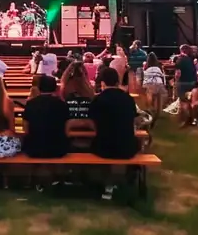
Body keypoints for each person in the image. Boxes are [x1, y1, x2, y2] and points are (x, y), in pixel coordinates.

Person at [89, 67, 140, 200]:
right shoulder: (128, 99)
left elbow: (92, 124)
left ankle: (105, 183)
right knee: (138, 143)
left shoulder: (97, 100)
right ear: (117, 82)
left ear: (102, 83)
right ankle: (128, 177)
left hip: (103, 148)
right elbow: (134, 120)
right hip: (127, 148)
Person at [22, 74, 70, 158]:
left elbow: (25, 128)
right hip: (58, 149)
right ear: (55, 88)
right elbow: (66, 128)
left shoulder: (30, 103)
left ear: (39, 88)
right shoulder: (62, 104)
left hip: (33, 149)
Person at [60, 61, 95, 134]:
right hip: (87, 121)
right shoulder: (89, 87)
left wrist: (71, 66)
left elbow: (63, 79)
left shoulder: (66, 86)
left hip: (69, 120)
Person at [173, 44, 198, 127]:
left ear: (182, 51)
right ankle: (192, 118)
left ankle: (185, 119)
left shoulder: (180, 60)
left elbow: (178, 74)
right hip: (192, 82)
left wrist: (175, 82)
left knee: (183, 101)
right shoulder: (191, 60)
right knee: (190, 101)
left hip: (183, 82)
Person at [142, 52, 167, 122]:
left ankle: (149, 110)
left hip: (149, 83)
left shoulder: (146, 66)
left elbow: (143, 75)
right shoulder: (159, 66)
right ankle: (157, 112)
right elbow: (163, 76)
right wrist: (164, 84)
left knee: (149, 95)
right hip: (159, 82)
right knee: (159, 98)